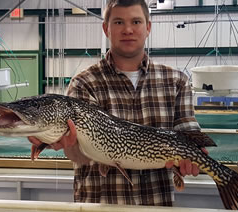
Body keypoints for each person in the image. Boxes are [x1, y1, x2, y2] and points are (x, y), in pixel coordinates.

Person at [29, 0, 205, 206]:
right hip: (100, 204)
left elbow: (189, 135)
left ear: (148, 27)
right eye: (119, 22)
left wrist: (196, 158)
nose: (128, 29)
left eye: (136, 22)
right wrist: (67, 145)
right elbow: (77, 153)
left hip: (156, 204)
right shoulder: (84, 83)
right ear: (106, 28)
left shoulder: (176, 81)